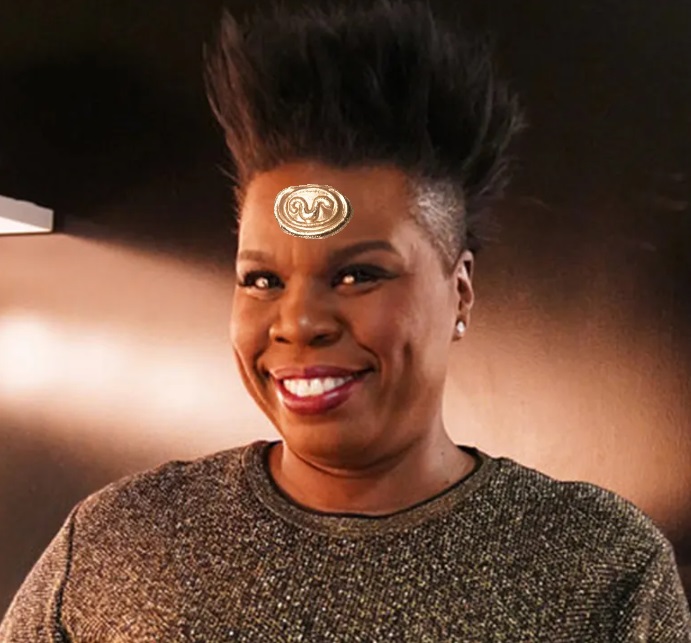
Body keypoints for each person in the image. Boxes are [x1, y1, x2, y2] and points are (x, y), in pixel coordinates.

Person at [2, 0, 690, 640]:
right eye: (262, 280)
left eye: (359, 275)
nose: (298, 321)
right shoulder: (113, 544)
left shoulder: (599, 567)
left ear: (460, 293)